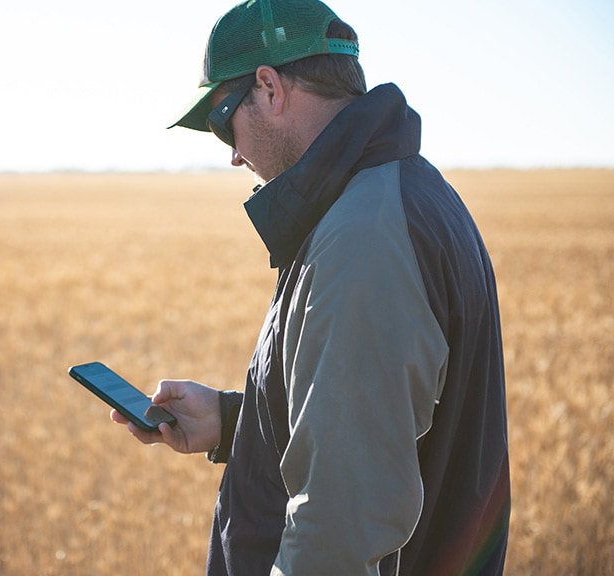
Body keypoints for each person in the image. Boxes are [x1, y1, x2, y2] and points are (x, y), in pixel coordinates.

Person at [110, 0, 511, 574]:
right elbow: (372, 424)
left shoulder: (367, 235)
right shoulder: (393, 196)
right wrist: (232, 421)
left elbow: (338, 530)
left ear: (269, 89)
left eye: (224, 119)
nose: (230, 154)